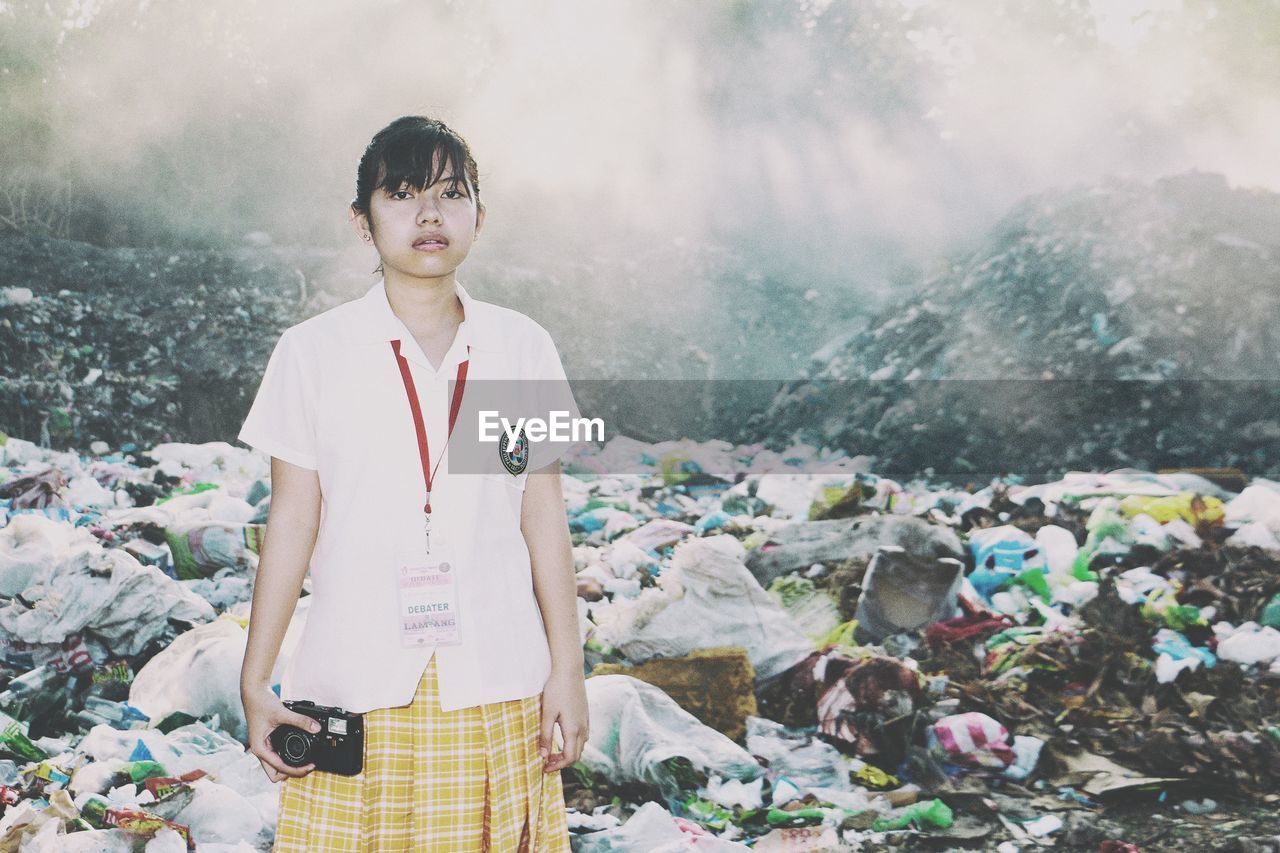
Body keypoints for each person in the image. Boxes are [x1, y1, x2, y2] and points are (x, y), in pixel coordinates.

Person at [237, 115, 586, 852]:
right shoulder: (315, 354)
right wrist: (256, 680)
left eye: (450, 194)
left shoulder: (514, 347)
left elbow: (540, 516)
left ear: (478, 218)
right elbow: (293, 522)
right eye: (401, 193)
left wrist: (569, 670)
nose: (429, 214)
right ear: (363, 222)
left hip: (494, 680)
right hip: (356, 681)